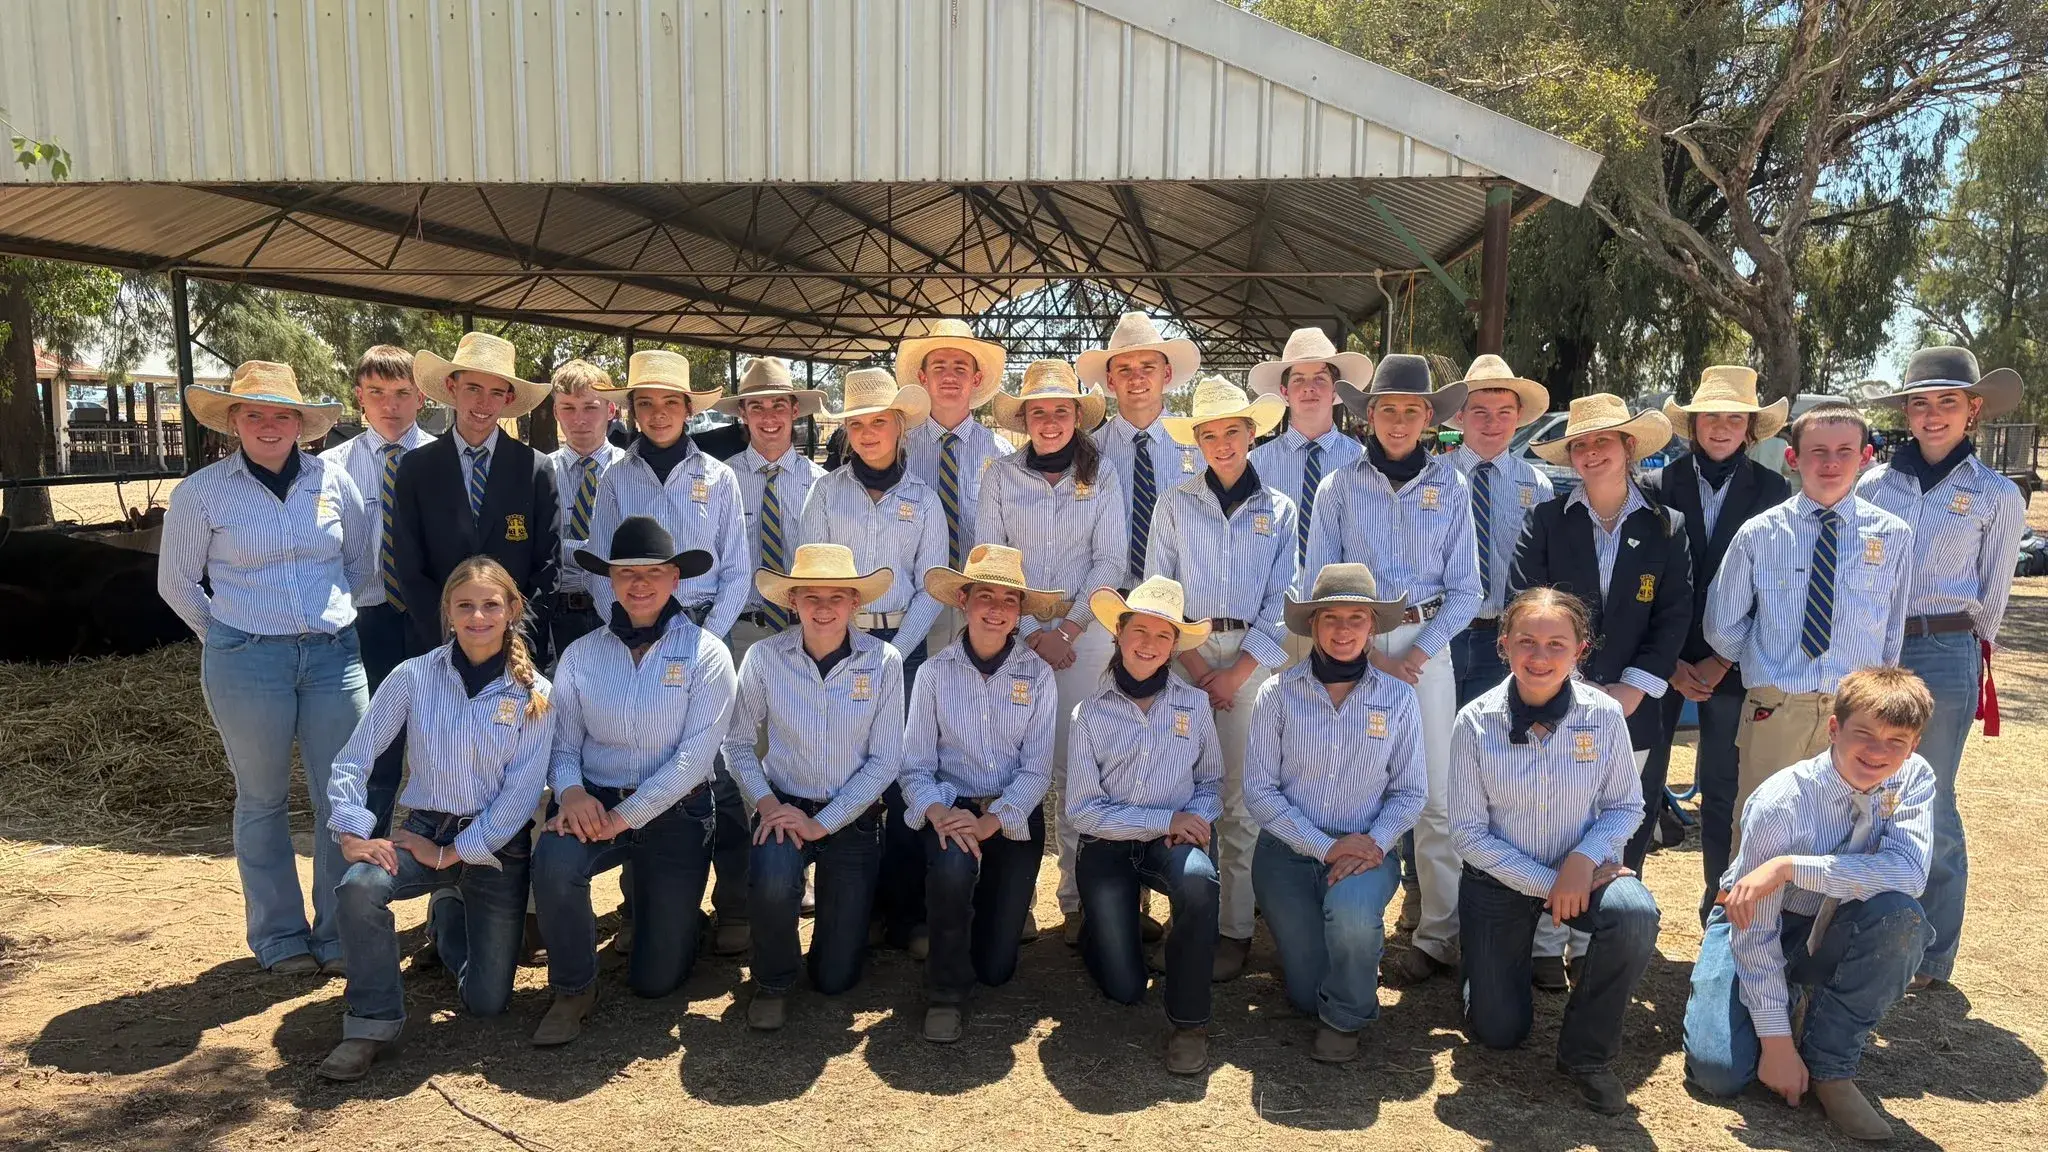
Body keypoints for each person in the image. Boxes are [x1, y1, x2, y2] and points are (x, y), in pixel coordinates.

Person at [159, 361, 371, 976]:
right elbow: (176, 582)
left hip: (333, 657)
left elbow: (358, 564)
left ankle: (338, 933)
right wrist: (227, 633)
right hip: (248, 659)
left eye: (283, 414)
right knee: (261, 797)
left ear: (302, 424)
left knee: (341, 797)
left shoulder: (334, 481)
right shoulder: (202, 492)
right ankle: (279, 936)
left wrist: (326, 613)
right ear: (233, 422)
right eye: (255, 413)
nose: (270, 425)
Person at [317, 558, 553, 1080]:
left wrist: (452, 856)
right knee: (359, 886)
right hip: (424, 826)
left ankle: (447, 914)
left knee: (487, 1003)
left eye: (491, 605)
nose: (477, 617)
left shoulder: (536, 695)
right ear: (447, 611)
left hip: (498, 843)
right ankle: (369, 1024)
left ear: (512, 610)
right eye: (464, 605)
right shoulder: (413, 676)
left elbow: (519, 797)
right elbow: (356, 756)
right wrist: (353, 830)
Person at [1682, 666, 1938, 1142]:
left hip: (1837, 920)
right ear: (1834, 728)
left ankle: (1830, 1067)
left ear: (1915, 744)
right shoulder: (1783, 802)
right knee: (1718, 1073)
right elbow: (1754, 929)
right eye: (1864, 734)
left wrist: (1789, 867)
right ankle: (1784, 1012)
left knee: (1901, 918)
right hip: (1761, 922)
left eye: (1897, 742)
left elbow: (1909, 873)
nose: (1879, 753)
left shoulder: (1914, 779)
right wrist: (1776, 1045)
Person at [1450, 588, 1663, 1115]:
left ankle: (1586, 1053)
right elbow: (1468, 834)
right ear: (1503, 646)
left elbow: (1624, 807)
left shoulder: (1605, 714)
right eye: (1526, 642)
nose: (1539, 657)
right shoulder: (1474, 721)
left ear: (1580, 651)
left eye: (1555, 644)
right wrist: (1552, 884)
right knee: (1499, 1033)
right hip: (1500, 880)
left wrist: (1581, 862)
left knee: (1635, 916)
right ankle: (1484, 977)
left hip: (1587, 875)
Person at [1303, 353, 1479, 985]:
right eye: (1388, 409)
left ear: (1429, 418)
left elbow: (1468, 589)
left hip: (1426, 647)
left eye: (1412, 410)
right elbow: (1316, 581)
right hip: (1353, 643)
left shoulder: (1452, 485)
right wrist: (1371, 651)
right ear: (1367, 414)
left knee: (1433, 794)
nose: (1400, 421)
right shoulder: (1339, 486)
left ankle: (1438, 933)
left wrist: (1418, 653)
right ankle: (1346, 918)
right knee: (1353, 782)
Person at [527, 518, 736, 1046]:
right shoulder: (582, 655)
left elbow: (694, 759)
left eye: (652, 574)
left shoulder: (706, 654)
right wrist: (571, 792)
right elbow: (563, 742)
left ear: (674, 580)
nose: (638, 585)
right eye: (625, 575)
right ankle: (574, 988)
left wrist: (624, 818)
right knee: (553, 862)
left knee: (655, 983)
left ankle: (678, 922)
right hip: (594, 798)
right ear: (610, 582)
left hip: (677, 812)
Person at [1856, 347, 2026, 989]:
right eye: (1920, 403)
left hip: (1945, 648)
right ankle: (1863, 928)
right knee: (1861, 783)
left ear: (1973, 411)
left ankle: (1932, 951)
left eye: (1947, 403)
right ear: (1906, 410)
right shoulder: (1873, 485)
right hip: (1873, 647)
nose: (1932, 415)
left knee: (1934, 796)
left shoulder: (1995, 493)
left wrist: (1965, 653)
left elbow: (1996, 591)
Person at [585, 349, 755, 954]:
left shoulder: (720, 476)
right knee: (645, 756)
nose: (658, 414)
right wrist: (627, 627)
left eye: (671, 403)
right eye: (646, 403)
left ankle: (735, 902)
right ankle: (642, 903)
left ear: (689, 409)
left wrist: (708, 636)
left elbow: (738, 568)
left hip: (706, 625)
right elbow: (601, 568)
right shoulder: (614, 479)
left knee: (722, 767)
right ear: (631, 410)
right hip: (637, 629)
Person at [1148, 376, 1297, 980]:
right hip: (1187, 653)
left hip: (1252, 661)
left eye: (1231, 431)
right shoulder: (1175, 503)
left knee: (1238, 800)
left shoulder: (1280, 508)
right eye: (1208, 434)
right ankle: (1192, 919)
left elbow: (1286, 593)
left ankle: (1235, 928)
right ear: (1199, 442)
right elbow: (1159, 588)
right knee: (1184, 789)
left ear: (1251, 434)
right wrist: (1193, 662)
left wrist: (1237, 671)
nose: (1221, 444)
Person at [1245, 563, 1424, 1063]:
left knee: (1348, 915)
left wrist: (1368, 845)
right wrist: (1325, 847)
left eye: (1356, 618)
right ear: (1312, 626)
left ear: (1372, 627)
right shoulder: (1275, 694)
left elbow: (1410, 793)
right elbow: (1259, 791)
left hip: (1366, 849)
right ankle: (1352, 959)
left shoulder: (1398, 698)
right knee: (1305, 995)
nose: (1343, 630)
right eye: (1330, 618)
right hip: (1287, 853)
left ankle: (1347, 1018)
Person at [977, 360, 1128, 945]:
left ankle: (1073, 897)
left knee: (1075, 769)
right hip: (1010, 632)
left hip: (1083, 639)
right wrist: (1024, 632)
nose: (1049, 420)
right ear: (1023, 419)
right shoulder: (1001, 477)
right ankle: (1010, 900)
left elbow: (1110, 560)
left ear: (1076, 417)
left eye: (1060, 410)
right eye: (1037, 411)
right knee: (1008, 765)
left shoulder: (1102, 474)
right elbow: (991, 558)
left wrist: (1064, 630)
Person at [1705, 405, 1913, 829]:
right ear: (1793, 459)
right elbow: (1721, 623)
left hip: (1856, 714)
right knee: (1763, 825)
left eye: (1844, 451)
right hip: (1776, 709)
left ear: (1866, 456)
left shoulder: (1893, 535)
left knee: (1842, 832)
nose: (1831, 463)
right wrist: (1765, 660)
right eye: (1817, 451)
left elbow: (1891, 630)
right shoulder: (1760, 533)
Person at [1513, 394, 1693, 880]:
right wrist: (1569, 681)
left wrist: (1632, 687)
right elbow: (1528, 607)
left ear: (1628, 445)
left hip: (1634, 705)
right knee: (1549, 819)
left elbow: (1674, 615)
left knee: (1621, 825)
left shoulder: (1666, 526)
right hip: (1553, 697)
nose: (1591, 453)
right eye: (1580, 445)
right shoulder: (1547, 522)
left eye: (1602, 441)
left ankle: (1602, 939)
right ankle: (1548, 938)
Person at [727, 544, 906, 1031]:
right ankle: (773, 979)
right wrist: (767, 805)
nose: (823, 608)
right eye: (811, 597)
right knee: (772, 877)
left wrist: (822, 822)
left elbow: (886, 759)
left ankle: (837, 945)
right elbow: (738, 744)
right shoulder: (764, 657)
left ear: (855, 604)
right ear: (793, 603)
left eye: (837, 597)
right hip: (783, 808)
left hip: (851, 818)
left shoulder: (884, 661)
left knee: (836, 977)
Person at [800, 367, 948, 953]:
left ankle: (906, 910)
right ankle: (851, 907)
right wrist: (847, 644)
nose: (868, 433)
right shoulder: (825, 493)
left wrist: (891, 651)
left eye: (878, 422)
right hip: (837, 648)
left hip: (902, 650)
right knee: (845, 772)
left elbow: (931, 585)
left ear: (899, 428)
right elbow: (810, 575)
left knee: (905, 779)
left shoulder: (923, 500)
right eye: (856, 424)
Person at [1644, 366, 1792, 923]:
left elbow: (1773, 587)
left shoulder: (1773, 490)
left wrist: (1723, 655)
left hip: (1734, 663)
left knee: (1727, 793)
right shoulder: (1658, 486)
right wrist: (1674, 661)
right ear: (1694, 424)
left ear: (1751, 429)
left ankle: (1720, 901)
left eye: (1736, 417)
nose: (1723, 426)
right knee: (1640, 784)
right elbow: (1650, 582)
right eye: (1713, 416)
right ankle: (1621, 903)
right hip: (1662, 662)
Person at [901, 544, 1063, 1043]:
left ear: (1020, 614)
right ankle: (945, 992)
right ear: (963, 602)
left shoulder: (1037, 675)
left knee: (997, 967)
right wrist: (941, 812)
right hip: (951, 812)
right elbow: (914, 768)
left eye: (1009, 601)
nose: (996, 610)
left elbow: (1038, 770)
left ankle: (965, 933)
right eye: (984, 597)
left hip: (1009, 815)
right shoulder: (933, 673)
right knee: (951, 870)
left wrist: (991, 821)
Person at [1066, 576, 1223, 1075]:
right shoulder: (1089, 713)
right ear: (1118, 633)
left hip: (1169, 843)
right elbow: (1083, 811)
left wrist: (1193, 820)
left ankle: (1190, 1023)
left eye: (1163, 635)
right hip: (1107, 848)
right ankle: (1102, 926)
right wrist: (1164, 817)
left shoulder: (1194, 705)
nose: (1149, 644)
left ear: (1175, 645)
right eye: (1139, 631)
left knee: (1199, 882)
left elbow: (1211, 781)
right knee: (1125, 989)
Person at [1442, 356, 1558, 981]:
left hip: (1504, 644)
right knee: (1435, 765)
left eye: (1503, 412)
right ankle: (1429, 902)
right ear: (1459, 417)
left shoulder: (1538, 486)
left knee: (1498, 768)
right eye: (1479, 411)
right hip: (1441, 635)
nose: (1491, 422)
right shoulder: (1435, 479)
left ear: (1519, 420)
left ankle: (1505, 904)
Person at [319, 345, 435, 835]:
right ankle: (370, 857)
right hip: (367, 619)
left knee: (442, 739)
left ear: (421, 398)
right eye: (377, 393)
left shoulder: (443, 461)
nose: (390, 406)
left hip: (432, 620)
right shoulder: (329, 468)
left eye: (402, 394)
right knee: (376, 745)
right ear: (358, 397)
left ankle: (447, 873)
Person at [391, 331, 560, 657]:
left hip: (516, 648)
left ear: (508, 399)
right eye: (473, 389)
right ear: (452, 388)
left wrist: (514, 638)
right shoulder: (416, 469)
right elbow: (410, 568)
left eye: (496, 393)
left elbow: (548, 569)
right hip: (439, 647)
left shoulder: (534, 469)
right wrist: (450, 638)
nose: (484, 403)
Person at [1247, 328, 1371, 664]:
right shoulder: (1254, 466)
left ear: (1335, 392)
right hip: (1272, 617)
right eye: (1299, 379)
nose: (1310, 388)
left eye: (1320, 378)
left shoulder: (1363, 465)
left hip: (1340, 621)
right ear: (1285, 391)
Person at [710, 354, 827, 661]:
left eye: (778, 405)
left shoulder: (823, 485)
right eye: (756, 407)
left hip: (806, 633)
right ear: (742, 414)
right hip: (740, 631)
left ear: (795, 410)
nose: (769, 417)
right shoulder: (720, 481)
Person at [1078, 312, 1204, 592]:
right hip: (1109, 594)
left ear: (1167, 374)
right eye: (1124, 370)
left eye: (1148, 367)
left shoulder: (1198, 447)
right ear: (1110, 381)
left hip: (1181, 593)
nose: (1136, 378)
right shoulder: (1090, 451)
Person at [897, 318, 1014, 598]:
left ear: (976, 379)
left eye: (960, 368)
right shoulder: (899, 451)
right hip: (915, 596)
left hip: (980, 597)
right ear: (923, 376)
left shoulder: (1001, 455)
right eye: (939, 367)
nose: (949, 376)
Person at [545, 359, 628, 656]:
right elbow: (537, 548)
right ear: (555, 412)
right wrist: (598, 551)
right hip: (557, 615)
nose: (579, 419)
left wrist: (566, 549)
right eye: (568, 408)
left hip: (620, 610)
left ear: (611, 410)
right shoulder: (540, 473)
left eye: (590, 407)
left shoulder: (632, 473)